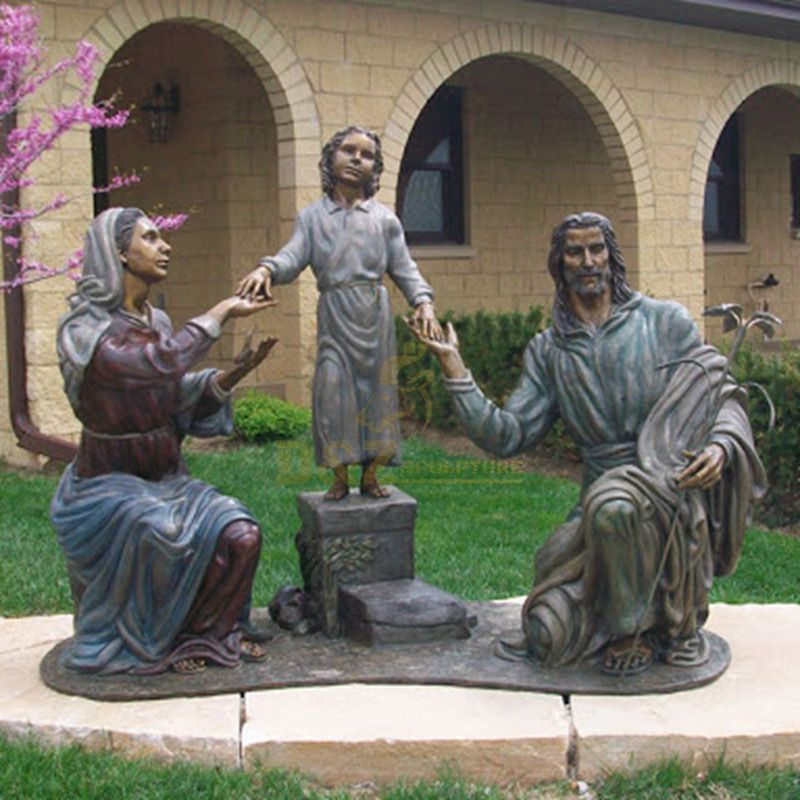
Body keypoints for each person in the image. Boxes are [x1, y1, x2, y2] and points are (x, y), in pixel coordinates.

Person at [409, 212, 766, 675]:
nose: (588, 261)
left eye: (596, 249)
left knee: (613, 508)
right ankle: (617, 610)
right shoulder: (550, 350)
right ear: (559, 264)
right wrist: (455, 368)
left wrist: (719, 445)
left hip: (666, 488)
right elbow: (508, 434)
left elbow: (719, 393)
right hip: (596, 506)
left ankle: (631, 628)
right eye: (574, 252)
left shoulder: (663, 322)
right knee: (545, 633)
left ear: (611, 257)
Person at [52, 207, 276, 675]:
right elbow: (149, 365)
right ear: (119, 254)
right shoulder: (85, 331)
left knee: (242, 533)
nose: (165, 246)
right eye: (151, 238)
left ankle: (211, 637)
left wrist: (233, 374)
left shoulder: (157, 320)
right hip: (107, 485)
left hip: (168, 479)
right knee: (158, 531)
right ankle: (147, 641)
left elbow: (173, 395)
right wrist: (220, 313)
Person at [237, 125, 442, 500]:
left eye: (366, 155)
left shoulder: (384, 220)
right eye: (348, 150)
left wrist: (423, 302)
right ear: (331, 159)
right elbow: (292, 256)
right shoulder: (313, 218)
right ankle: (339, 475)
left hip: (374, 317)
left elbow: (405, 268)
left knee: (376, 397)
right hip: (335, 314)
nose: (356, 159)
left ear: (375, 169)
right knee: (333, 394)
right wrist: (267, 269)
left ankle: (371, 475)